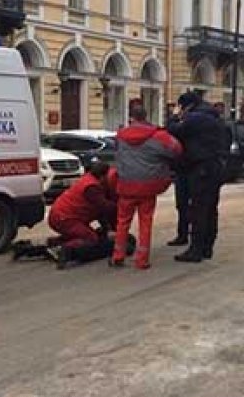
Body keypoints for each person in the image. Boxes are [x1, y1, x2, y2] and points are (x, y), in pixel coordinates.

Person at [111, 105, 182, 269]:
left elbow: (117, 153)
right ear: (146, 116)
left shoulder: (121, 135)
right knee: (145, 222)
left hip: (126, 185)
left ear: (131, 117)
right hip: (148, 186)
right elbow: (177, 149)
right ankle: (141, 259)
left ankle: (118, 255)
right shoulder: (159, 136)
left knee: (122, 222)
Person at [167, 92, 229, 263]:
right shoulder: (215, 118)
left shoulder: (195, 118)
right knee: (210, 208)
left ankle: (195, 249)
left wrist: (173, 117)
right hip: (216, 167)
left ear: (185, 105)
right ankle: (207, 247)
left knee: (198, 209)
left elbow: (174, 131)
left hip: (201, 168)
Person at [45, 162, 119, 268]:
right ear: (102, 176)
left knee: (89, 234)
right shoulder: (92, 187)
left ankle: (56, 243)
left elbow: (100, 212)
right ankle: (65, 249)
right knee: (91, 238)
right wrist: (122, 206)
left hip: (61, 215)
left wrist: (108, 229)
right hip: (65, 218)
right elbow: (105, 207)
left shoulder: (89, 180)